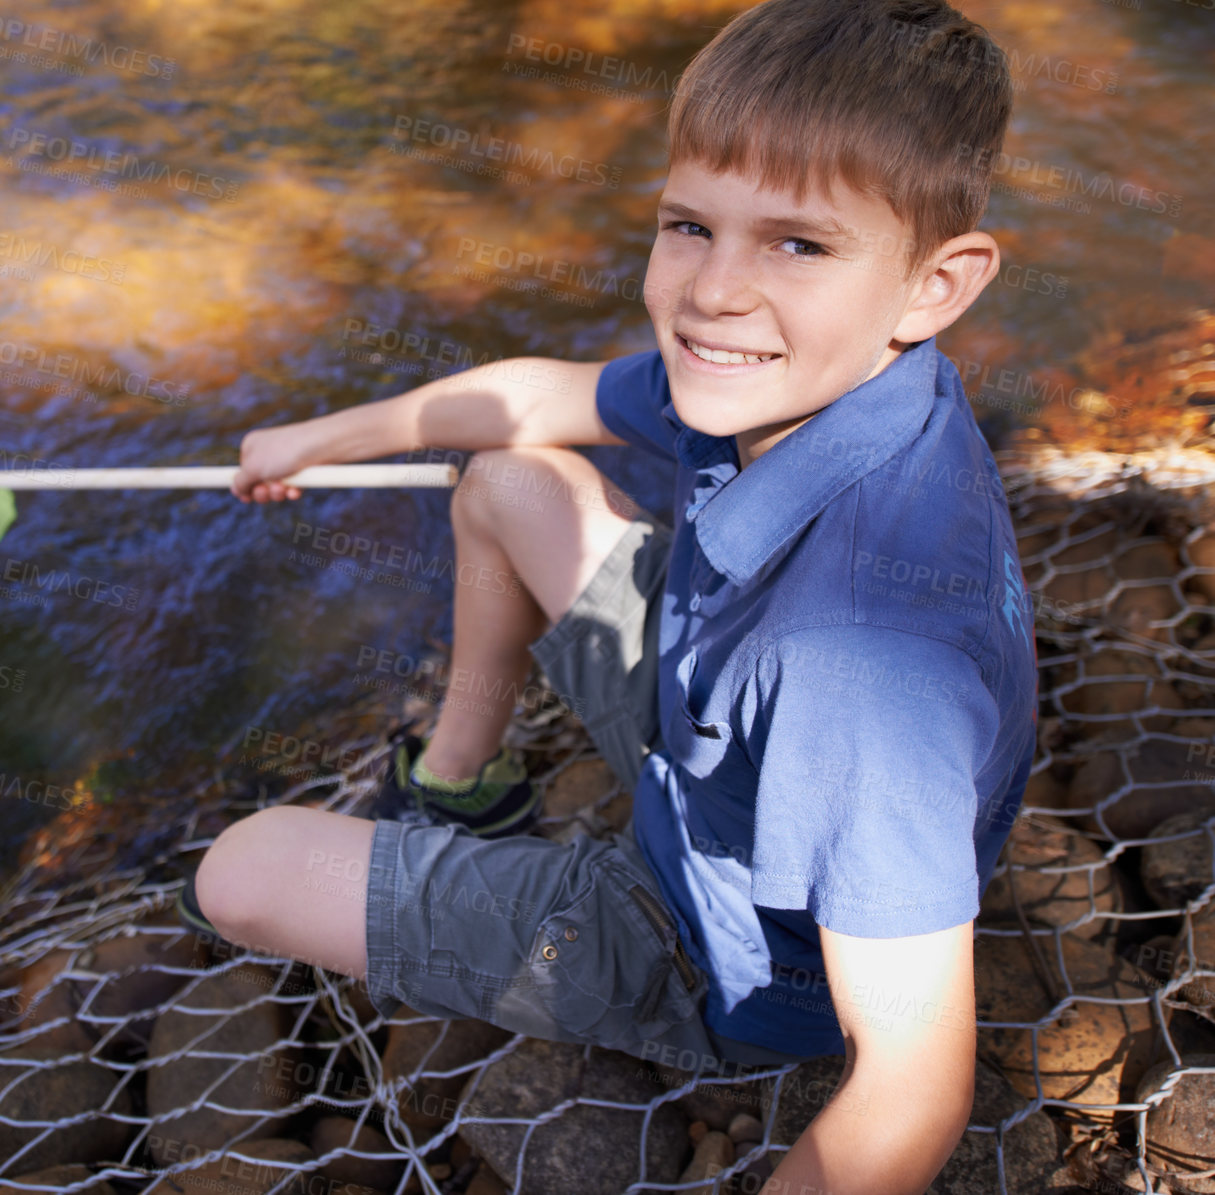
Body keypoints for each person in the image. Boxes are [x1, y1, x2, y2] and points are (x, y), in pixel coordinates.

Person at [187, 0, 1038, 1188]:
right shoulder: (812, 380)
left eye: (798, 244)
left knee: (243, 870)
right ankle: (461, 782)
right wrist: (318, 437)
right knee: (510, 482)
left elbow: (911, 1088)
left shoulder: (857, 670)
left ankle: (607, 941)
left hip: (709, 947)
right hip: (722, 727)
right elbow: (543, 397)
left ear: (937, 285)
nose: (714, 292)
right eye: (689, 224)